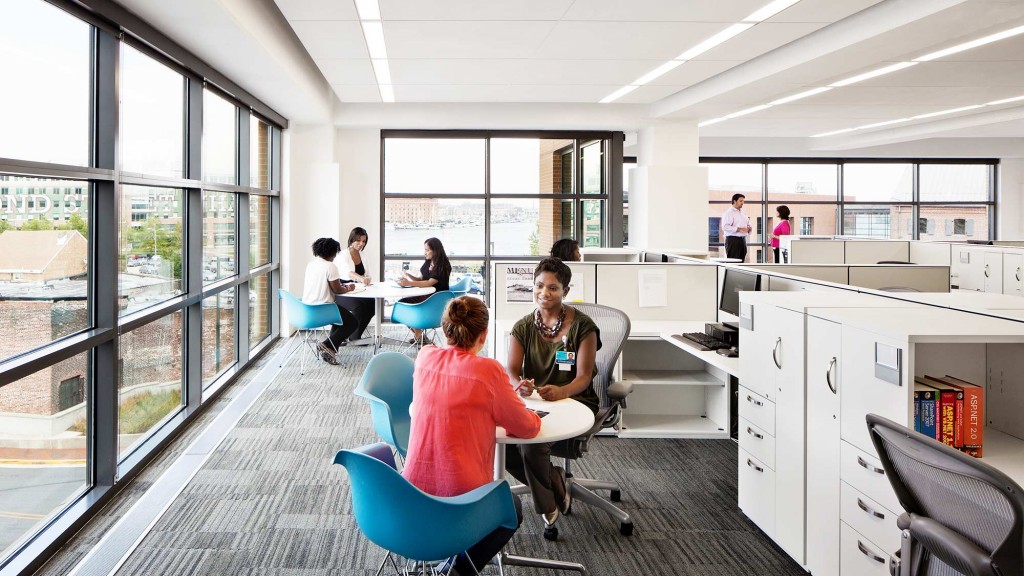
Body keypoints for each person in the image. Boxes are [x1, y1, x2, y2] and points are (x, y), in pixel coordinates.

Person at [404, 296, 541, 575]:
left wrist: (501, 397)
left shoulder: (425, 356)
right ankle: (456, 571)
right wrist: (531, 412)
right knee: (511, 507)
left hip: (410, 494)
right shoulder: (488, 371)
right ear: (484, 335)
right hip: (461, 499)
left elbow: (457, 397)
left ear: (445, 330)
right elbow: (526, 427)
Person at [505, 257, 601, 540]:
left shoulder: (584, 327)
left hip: (576, 402)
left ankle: (548, 508)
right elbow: (510, 370)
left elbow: (583, 377)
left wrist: (561, 391)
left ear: (565, 291)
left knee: (532, 445)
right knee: (503, 442)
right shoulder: (523, 326)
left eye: (553, 288)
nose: (544, 293)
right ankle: (556, 482)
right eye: (539, 286)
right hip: (535, 402)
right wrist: (520, 384)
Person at [301, 237, 359, 365]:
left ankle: (331, 349)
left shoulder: (311, 264)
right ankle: (326, 344)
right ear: (332, 252)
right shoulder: (330, 266)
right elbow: (338, 290)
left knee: (340, 320)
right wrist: (349, 287)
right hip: (324, 308)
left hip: (308, 308)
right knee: (352, 323)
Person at [397, 237, 451, 341]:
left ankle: (420, 336)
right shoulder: (428, 261)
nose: (425, 253)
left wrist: (408, 283)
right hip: (426, 296)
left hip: (435, 299)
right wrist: (408, 276)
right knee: (402, 304)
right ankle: (420, 335)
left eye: (427, 250)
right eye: (424, 250)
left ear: (435, 251)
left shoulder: (443, 265)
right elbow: (421, 279)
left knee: (403, 305)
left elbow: (429, 282)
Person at [336, 227, 375, 341]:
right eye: (358, 240)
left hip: (359, 289)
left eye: (364, 241)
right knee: (358, 307)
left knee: (372, 305)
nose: (361, 243)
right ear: (352, 239)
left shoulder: (364, 254)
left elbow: (367, 273)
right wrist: (361, 279)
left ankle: (355, 335)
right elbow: (347, 272)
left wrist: (367, 278)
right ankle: (345, 333)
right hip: (343, 290)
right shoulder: (343, 254)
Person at [722, 193, 752, 261]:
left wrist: (749, 227)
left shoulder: (742, 212)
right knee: (733, 262)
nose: (742, 203)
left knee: (741, 261)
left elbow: (747, 222)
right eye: (740, 201)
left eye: (743, 201)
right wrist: (739, 229)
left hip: (743, 240)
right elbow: (725, 227)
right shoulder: (729, 213)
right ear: (735, 201)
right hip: (733, 240)